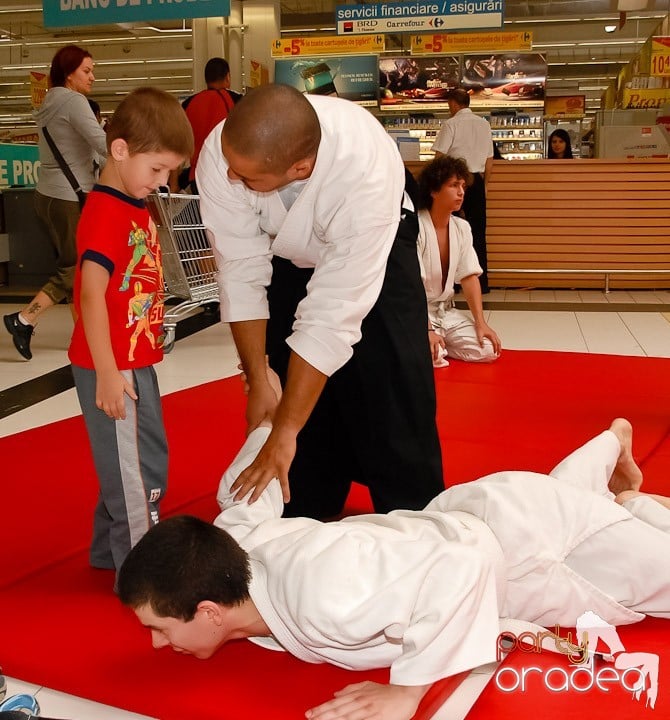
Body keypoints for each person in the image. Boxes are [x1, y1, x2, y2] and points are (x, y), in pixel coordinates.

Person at [119, 402, 670, 720]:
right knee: (567, 500)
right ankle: (609, 449)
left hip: (530, 552)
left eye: (161, 628)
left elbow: (464, 568)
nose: (156, 643)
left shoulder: (321, 595)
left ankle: (624, 496)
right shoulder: (232, 546)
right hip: (488, 510)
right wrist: (269, 421)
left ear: (211, 611)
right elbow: (245, 491)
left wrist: (407, 691)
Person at [195, 83, 443, 519]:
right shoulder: (226, 149)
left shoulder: (364, 169)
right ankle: (307, 494)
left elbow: (332, 319)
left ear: (300, 167)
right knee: (290, 366)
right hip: (287, 247)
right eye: (231, 167)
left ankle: (414, 515)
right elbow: (239, 267)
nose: (232, 178)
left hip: (377, 241)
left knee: (390, 378)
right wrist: (257, 378)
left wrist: (285, 429)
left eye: (246, 177)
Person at [68, 87, 194, 578]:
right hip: (114, 364)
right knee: (139, 469)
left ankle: (109, 552)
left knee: (135, 458)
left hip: (131, 359)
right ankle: (145, 574)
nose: (162, 183)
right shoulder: (105, 212)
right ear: (120, 150)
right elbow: (91, 294)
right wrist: (105, 370)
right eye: (157, 169)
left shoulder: (131, 203)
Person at [3, 45, 107, 361]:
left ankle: (85, 336)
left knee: (73, 266)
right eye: (86, 71)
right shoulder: (74, 101)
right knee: (75, 268)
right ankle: (24, 319)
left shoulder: (50, 101)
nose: (92, 76)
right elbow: (102, 145)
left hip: (47, 195)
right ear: (68, 73)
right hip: (68, 197)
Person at [417, 156, 501, 366]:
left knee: (488, 350)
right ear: (434, 190)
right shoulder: (415, 227)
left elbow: (469, 276)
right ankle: (429, 344)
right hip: (418, 314)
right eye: (454, 185)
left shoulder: (461, 227)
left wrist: (481, 323)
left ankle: (438, 344)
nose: (461, 192)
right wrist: (426, 329)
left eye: (463, 185)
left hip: (445, 312)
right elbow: (411, 285)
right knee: (435, 358)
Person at [431, 87, 493, 294]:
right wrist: (483, 186)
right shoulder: (484, 124)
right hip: (475, 181)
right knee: (478, 233)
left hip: (455, 182)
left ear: (453, 104)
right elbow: (489, 161)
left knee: (452, 231)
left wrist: (436, 183)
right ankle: (481, 283)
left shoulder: (451, 124)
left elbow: (439, 156)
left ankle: (455, 283)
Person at [181, 57, 237, 194]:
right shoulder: (237, 101)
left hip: (197, 178)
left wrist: (174, 183)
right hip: (228, 178)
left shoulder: (188, 104)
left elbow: (176, 144)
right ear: (228, 77)